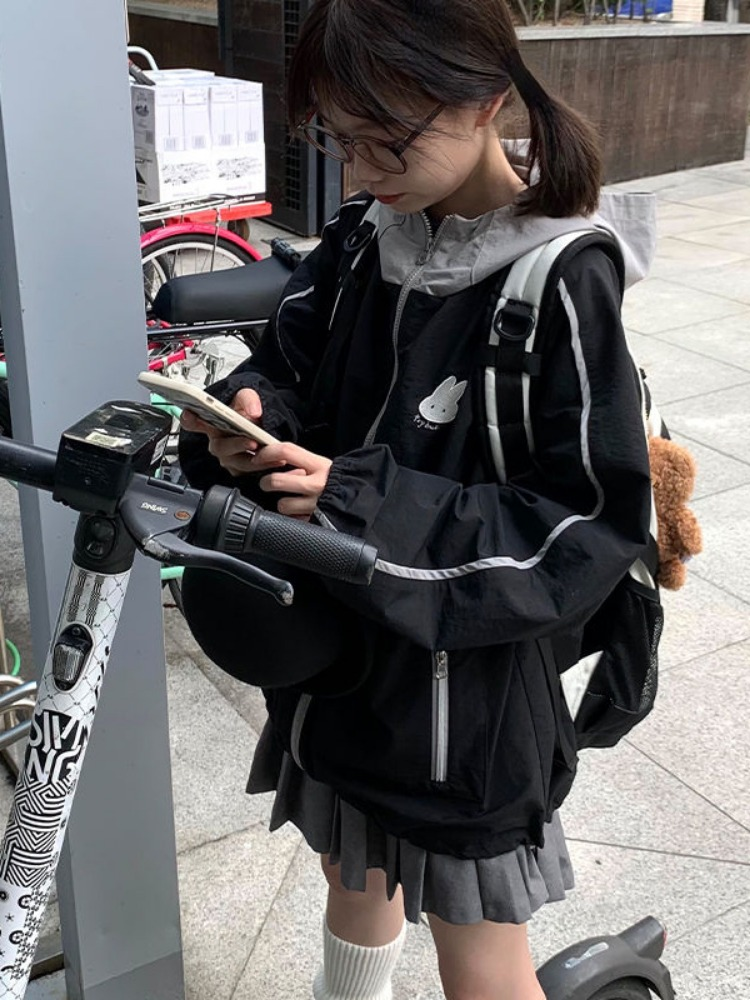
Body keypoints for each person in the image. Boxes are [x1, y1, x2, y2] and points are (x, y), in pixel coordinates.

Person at [178, 1, 656, 997]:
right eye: (337, 138)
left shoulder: (560, 277)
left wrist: (358, 503)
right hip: (340, 656)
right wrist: (250, 414)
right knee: (350, 869)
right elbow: (291, 364)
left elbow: (584, 525)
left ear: (485, 100)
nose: (357, 170)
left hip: (466, 699)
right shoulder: (364, 236)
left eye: (383, 139)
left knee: (475, 943)